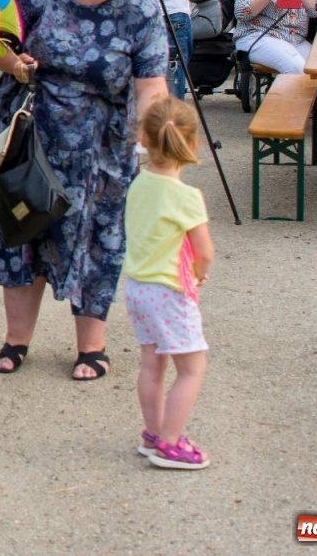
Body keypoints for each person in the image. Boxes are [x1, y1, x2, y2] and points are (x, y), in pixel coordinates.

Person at [0, 0, 169, 381]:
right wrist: (15, 62)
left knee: (96, 240)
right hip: (32, 139)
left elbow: (151, 86)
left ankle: (92, 345)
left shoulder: (140, 7)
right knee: (22, 235)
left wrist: (158, 142)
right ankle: (16, 339)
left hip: (101, 148)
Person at [123, 95, 214, 470]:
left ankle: (153, 431)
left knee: (152, 365)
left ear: (143, 138)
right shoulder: (187, 197)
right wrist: (196, 276)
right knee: (192, 368)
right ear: (192, 143)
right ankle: (171, 443)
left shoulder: (139, 183)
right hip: (168, 292)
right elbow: (204, 252)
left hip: (136, 288)